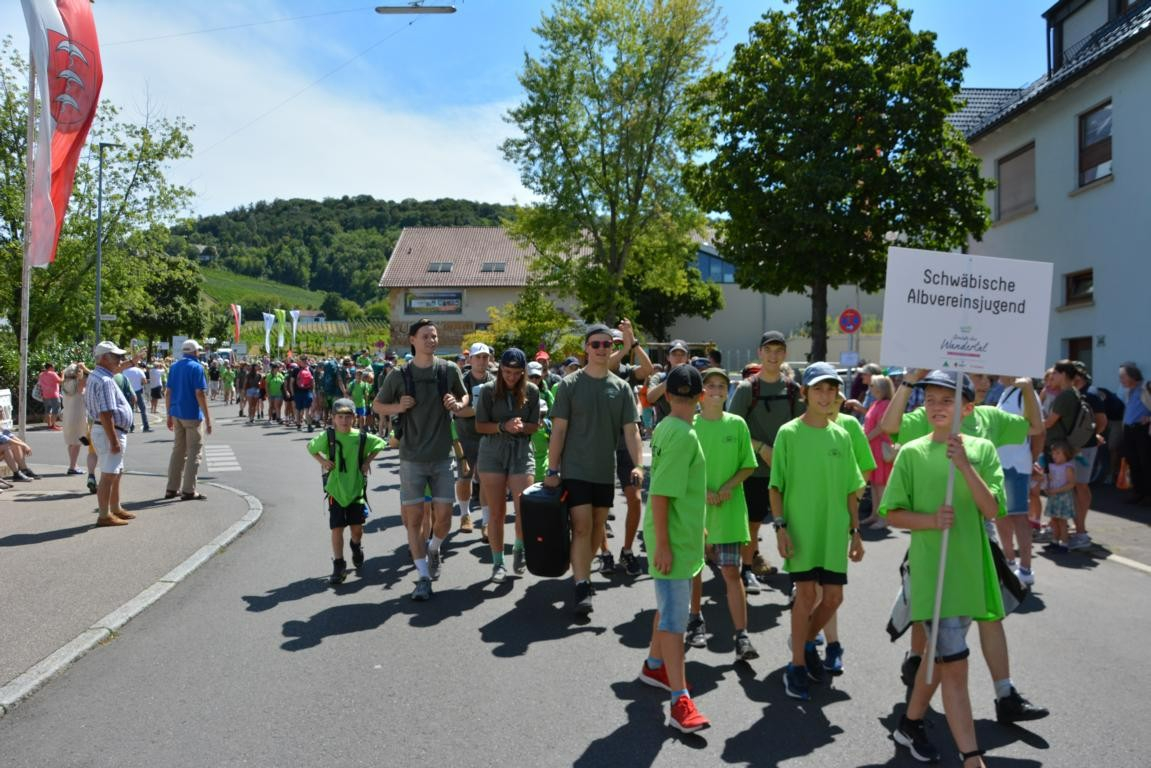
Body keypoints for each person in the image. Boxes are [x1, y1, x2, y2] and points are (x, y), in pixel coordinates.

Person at [882, 367, 1048, 726]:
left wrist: (1028, 388)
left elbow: (1035, 427)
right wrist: (909, 381)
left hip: (977, 528)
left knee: (990, 612)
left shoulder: (989, 418)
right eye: (976, 375)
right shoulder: (929, 415)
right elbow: (890, 425)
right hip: (933, 528)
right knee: (926, 602)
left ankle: (1005, 693)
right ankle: (917, 662)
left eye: (986, 376)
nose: (983, 381)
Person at [880, 370, 1004, 768]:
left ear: (967, 408)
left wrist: (965, 465)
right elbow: (892, 513)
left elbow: (992, 509)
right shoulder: (911, 452)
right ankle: (972, 756)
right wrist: (931, 521)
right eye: (931, 400)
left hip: (971, 574)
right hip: (932, 574)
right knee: (955, 667)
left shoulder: (983, 449)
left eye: (947, 400)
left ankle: (909, 724)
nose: (937, 407)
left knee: (938, 658)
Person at [770, 362, 865, 700]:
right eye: (818, 389)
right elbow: (776, 486)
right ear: (804, 393)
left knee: (834, 598)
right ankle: (796, 665)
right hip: (801, 530)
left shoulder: (842, 435)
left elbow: (851, 489)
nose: (825, 396)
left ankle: (806, 641)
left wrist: (856, 531)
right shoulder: (788, 433)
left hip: (834, 532)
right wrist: (780, 528)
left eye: (831, 390)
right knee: (807, 596)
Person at [544, 323, 644, 614]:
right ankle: (582, 584)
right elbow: (559, 430)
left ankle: (582, 572)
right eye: (596, 344)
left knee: (598, 526)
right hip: (575, 469)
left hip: (604, 470)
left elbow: (632, 432)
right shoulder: (570, 384)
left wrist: (639, 465)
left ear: (613, 348)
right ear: (586, 348)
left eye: (607, 344)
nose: (602, 349)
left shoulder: (621, 388)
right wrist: (552, 470)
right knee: (582, 526)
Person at [635, 364, 710, 734]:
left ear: (666, 395)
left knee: (667, 609)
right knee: (674, 623)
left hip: (677, 535)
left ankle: (654, 666)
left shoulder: (666, 426)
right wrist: (664, 545)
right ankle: (680, 701)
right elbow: (662, 494)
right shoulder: (684, 434)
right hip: (673, 541)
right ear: (701, 397)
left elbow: (670, 491)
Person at [373, 318, 468, 602]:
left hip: (442, 457)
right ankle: (423, 577)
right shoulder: (399, 375)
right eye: (425, 336)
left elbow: (465, 399)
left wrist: (457, 404)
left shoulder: (448, 370)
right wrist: (397, 407)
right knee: (414, 520)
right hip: (411, 458)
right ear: (412, 340)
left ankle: (435, 547)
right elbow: (377, 405)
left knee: (444, 519)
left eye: (434, 336)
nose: (431, 340)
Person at [685, 367, 759, 662]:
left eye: (721, 386)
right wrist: (702, 491)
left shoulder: (737, 424)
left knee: (730, 571)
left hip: (729, 509)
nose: (716, 390)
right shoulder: (689, 425)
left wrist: (727, 486)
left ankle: (742, 635)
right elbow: (683, 468)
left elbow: (748, 464)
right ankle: (695, 619)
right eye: (711, 385)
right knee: (695, 571)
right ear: (701, 392)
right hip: (696, 509)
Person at [726, 330, 804, 595]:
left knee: (792, 523)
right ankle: (747, 569)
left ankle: (797, 574)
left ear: (785, 354)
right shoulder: (747, 389)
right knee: (753, 522)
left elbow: (802, 427)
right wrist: (761, 448)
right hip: (755, 471)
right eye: (768, 350)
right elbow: (734, 430)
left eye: (778, 350)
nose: (773, 356)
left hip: (788, 471)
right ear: (760, 353)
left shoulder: (793, 389)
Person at [474, 348, 541, 581]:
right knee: (497, 512)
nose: (511, 377)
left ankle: (519, 548)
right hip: (492, 452)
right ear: (500, 369)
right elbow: (480, 425)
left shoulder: (532, 391)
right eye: (507, 372)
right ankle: (498, 563)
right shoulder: (488, 390)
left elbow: (535, 426)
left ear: (523, 372)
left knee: (524, 509)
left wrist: (522, 427)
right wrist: (503, 426)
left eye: (516, 373)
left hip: (521, 451)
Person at [308, 397, 386, 585]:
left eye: (348, 416)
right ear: (333, 418)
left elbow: (380, 443)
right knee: (337, 528)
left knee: (357, 529)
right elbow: (311, 447)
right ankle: (339, 563)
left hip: (356, 490)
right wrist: (323, 461)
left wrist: (367, 461)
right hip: (336, 491)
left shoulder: (361, 437)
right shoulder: (329, 436)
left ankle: (356, 545)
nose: (344, 420)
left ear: (354, 418)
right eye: (340, 417)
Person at [605, 319, 654, 577]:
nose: (612, 348)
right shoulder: (599, 368)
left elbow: (648, 369)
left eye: (616, 344)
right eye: (610, 344)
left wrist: (633, 342)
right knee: (599, 504)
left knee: (634, 499)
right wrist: (624, 347)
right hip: (600, 446)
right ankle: (604, 552)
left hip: (625, 446)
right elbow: (607, 364)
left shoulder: (627, 370)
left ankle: (626, 550)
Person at [993, 375, 1044, 585]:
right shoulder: (1008, 391)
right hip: (999, 463)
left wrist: (1032, 460)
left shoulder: (1026, 392)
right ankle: (1009, 562)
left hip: (1015, 464)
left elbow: (1039, 430)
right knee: (1001, 514)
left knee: (1018, 515)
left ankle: (1025, 569)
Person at [84, 341, 136, 527]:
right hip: (109, 432)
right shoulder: (105, 380)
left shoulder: (98, 375)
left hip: (105, 430)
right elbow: (106, 413)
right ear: (105, 358)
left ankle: (114, 508)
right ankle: (104, 515)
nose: (119, 360)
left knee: (115, 472)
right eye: (116, 357)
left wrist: (132, 361)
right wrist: (114, 440)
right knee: (108, 475)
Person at [452, 342, 494, 535]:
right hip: (465, 436)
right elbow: (457, 411)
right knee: (464, 477)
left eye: (485, 357)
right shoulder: (461, 381)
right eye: (478, 357)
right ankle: (465, 515)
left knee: (486, 479)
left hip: (488, 436)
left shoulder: (495, 381)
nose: (482, 361)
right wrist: (478, 410)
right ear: (470, 359)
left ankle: (486, 522)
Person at [165, 339, 213, 501]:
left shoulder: (174, 366)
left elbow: (168, 392)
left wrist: (168, 414)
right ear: (195, 352)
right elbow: (200, 393)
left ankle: (172, 488)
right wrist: (208, 418)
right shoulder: (197, 367)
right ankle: (188, 490)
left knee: (178, 450)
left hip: (176, 413)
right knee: (194, 452)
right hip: (192, 414)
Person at [861, 374, 896, 526]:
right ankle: (874, 514)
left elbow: (882, 426)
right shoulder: (877, 403)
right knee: (875, 483)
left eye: (873, 385)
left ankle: (883, 518)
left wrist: (866, 438)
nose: (870, 388)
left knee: (881, 485)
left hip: (880, 447)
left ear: (881, 388)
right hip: (873, 446)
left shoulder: (885, 404)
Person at [1117, 362, 1150, 504]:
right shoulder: (1129, 391)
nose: (1121, 380)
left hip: (1142, 430)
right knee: (1133, 462)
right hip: (1129, 430)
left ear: (1132, 376)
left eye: (1123, 376)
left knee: (1146, 462)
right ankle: (1138, 492)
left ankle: (1148, 495)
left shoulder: (1146, 387)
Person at [1041, 439, 1077, 552]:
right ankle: (1055, 541)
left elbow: (1071, 483)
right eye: (1053, 453)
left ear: (1066, 454)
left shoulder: (1068, 467)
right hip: (1054, 496)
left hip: (1063, 497)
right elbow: (1049, 480)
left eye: (1058, 453)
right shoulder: (1051, 466)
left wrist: (1056, 490)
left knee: (1062, 521)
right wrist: (1046, 488)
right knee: (1054, 520)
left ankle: (1064, 544)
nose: (1054, 456)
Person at [60, 361, 93, 478]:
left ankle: (73, 464)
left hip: (68, 415)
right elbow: (95, 377)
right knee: (77, 442)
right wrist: (84, 368)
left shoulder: (65, 383)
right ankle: (72, 466)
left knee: (71, 442)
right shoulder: (80, 383)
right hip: (78, 416)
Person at [121, 359, 151, 433]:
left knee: (130, 410)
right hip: (138, 391)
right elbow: (144, 381)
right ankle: (146, 426)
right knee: (143, 409)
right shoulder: (139, 370)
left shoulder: (124, 371)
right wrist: (140, 383)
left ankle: (131, 427)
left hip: (129, 392)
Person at [37, 362, 64, 430]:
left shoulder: (41, 374)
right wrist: (63, 375)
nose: (54, 368)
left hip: (45, 395)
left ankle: (49, 424)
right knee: (55, 410)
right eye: (53, 367)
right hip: (54, 394)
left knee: (47, 410)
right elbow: (61, 381)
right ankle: (53, 425)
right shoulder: (53, 374)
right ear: (50, 367)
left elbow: (40, 383)